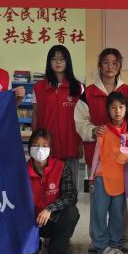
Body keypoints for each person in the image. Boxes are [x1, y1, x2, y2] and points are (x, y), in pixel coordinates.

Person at [74, 48, 128, 249]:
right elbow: (79, 120)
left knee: (122, 200)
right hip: (98, 158)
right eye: (106, 62)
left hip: (122, 159)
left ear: (119, 66)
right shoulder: (89, 93)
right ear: (100, 65)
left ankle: (122, 238)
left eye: (114, 63)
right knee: (98, 203)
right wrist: (93, 131)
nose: (110, 67)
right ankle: (98, 240)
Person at [88, 92, 128, 254]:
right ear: (108, 110)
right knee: (100, 212)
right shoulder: (102, 130)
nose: (117, 111)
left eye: (121, 107)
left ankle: (115, 243)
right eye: (113, 107)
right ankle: (101, 245)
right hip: (102, 177)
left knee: (117, 214)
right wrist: (92, 177)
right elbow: (96, 154)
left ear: (126, 109)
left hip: (122, 179)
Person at [32, 44, 85, 188]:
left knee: (70, 187)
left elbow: (82, 117)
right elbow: (35, 114)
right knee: (50, 187)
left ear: (67, 62)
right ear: (49, 62)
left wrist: (80, 143)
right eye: (54, 59)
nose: (58, 62)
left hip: (71, 144)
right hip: (47, 145)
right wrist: (34, 142)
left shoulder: (77, 87)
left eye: (62, 59)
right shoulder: (39, 87)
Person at [25, 129, 80, 254]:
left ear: (50, 149)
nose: (40, 150)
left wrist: (49, 209)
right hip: (31, 221)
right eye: (36, 145)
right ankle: (32, 245)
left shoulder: (61, 167)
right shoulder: (22, 171)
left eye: (44, 146)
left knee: (72, 212)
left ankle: (57, 247)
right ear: (30, 147)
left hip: (55, 219)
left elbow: (71, 196)